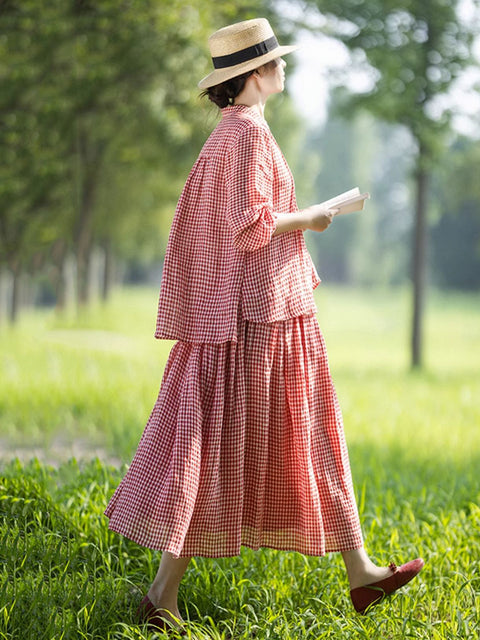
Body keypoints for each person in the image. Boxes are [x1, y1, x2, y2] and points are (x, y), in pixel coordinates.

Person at [104, 18, 424, 633]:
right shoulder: (247, 135)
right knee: (294, 437)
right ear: (252, 75)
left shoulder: (231, 132)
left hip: (258, 313)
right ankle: (167, 593)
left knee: (243, 445)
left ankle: (356, 572)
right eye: (276, 62)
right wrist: (314, 217)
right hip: (263, 320)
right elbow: (251, 226)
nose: (284, 69)